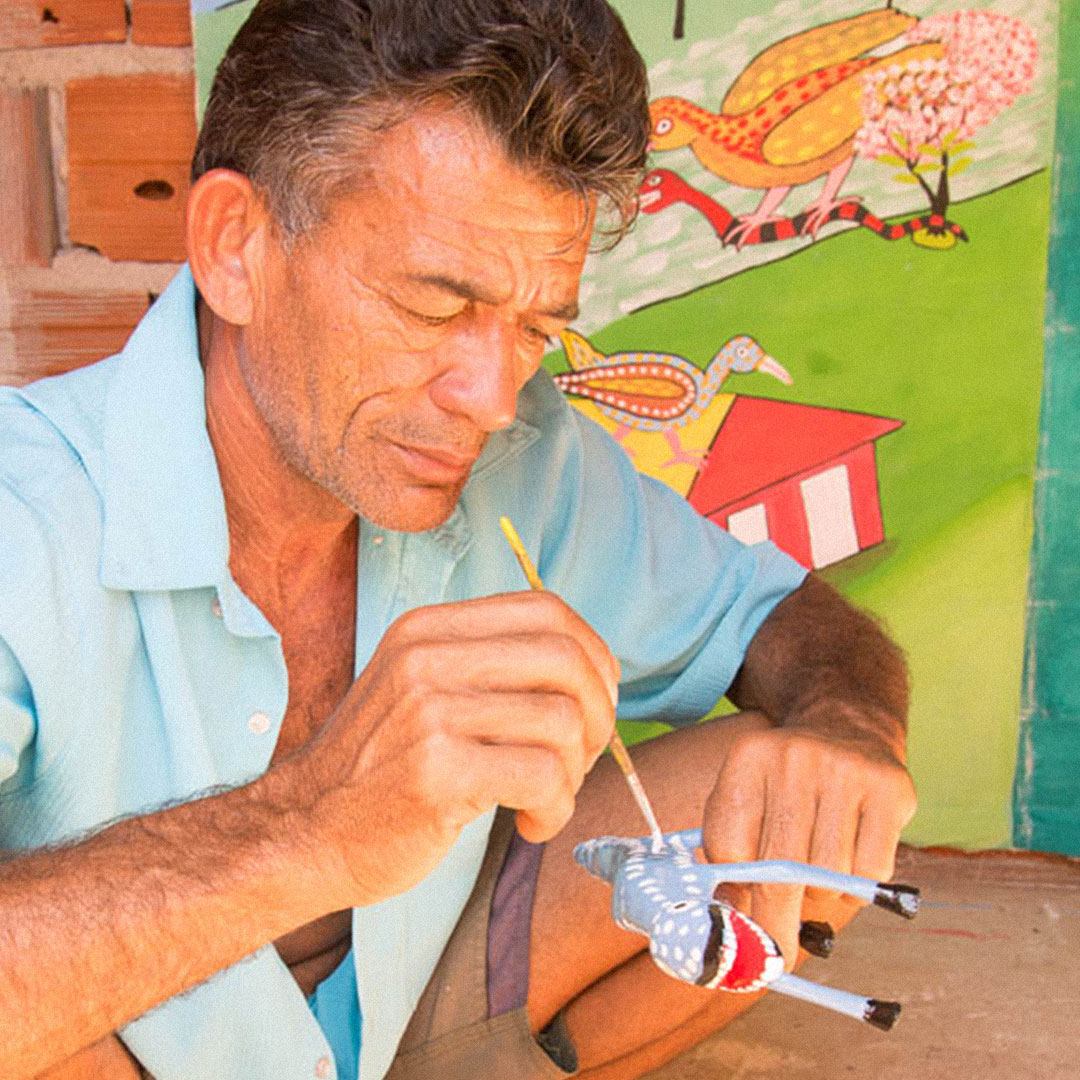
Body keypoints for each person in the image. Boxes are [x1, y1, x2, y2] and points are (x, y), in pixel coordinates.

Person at [0, 2, 916, 1078]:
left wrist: (853, 728)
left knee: (782, 797)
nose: (490, 397)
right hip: (103, 1039)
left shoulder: (524, 458)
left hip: (412, 1025)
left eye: (536, 328)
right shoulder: (27, 516)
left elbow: (785, 621)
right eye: (436, 305)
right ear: (236, 247)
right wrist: (313, 826)